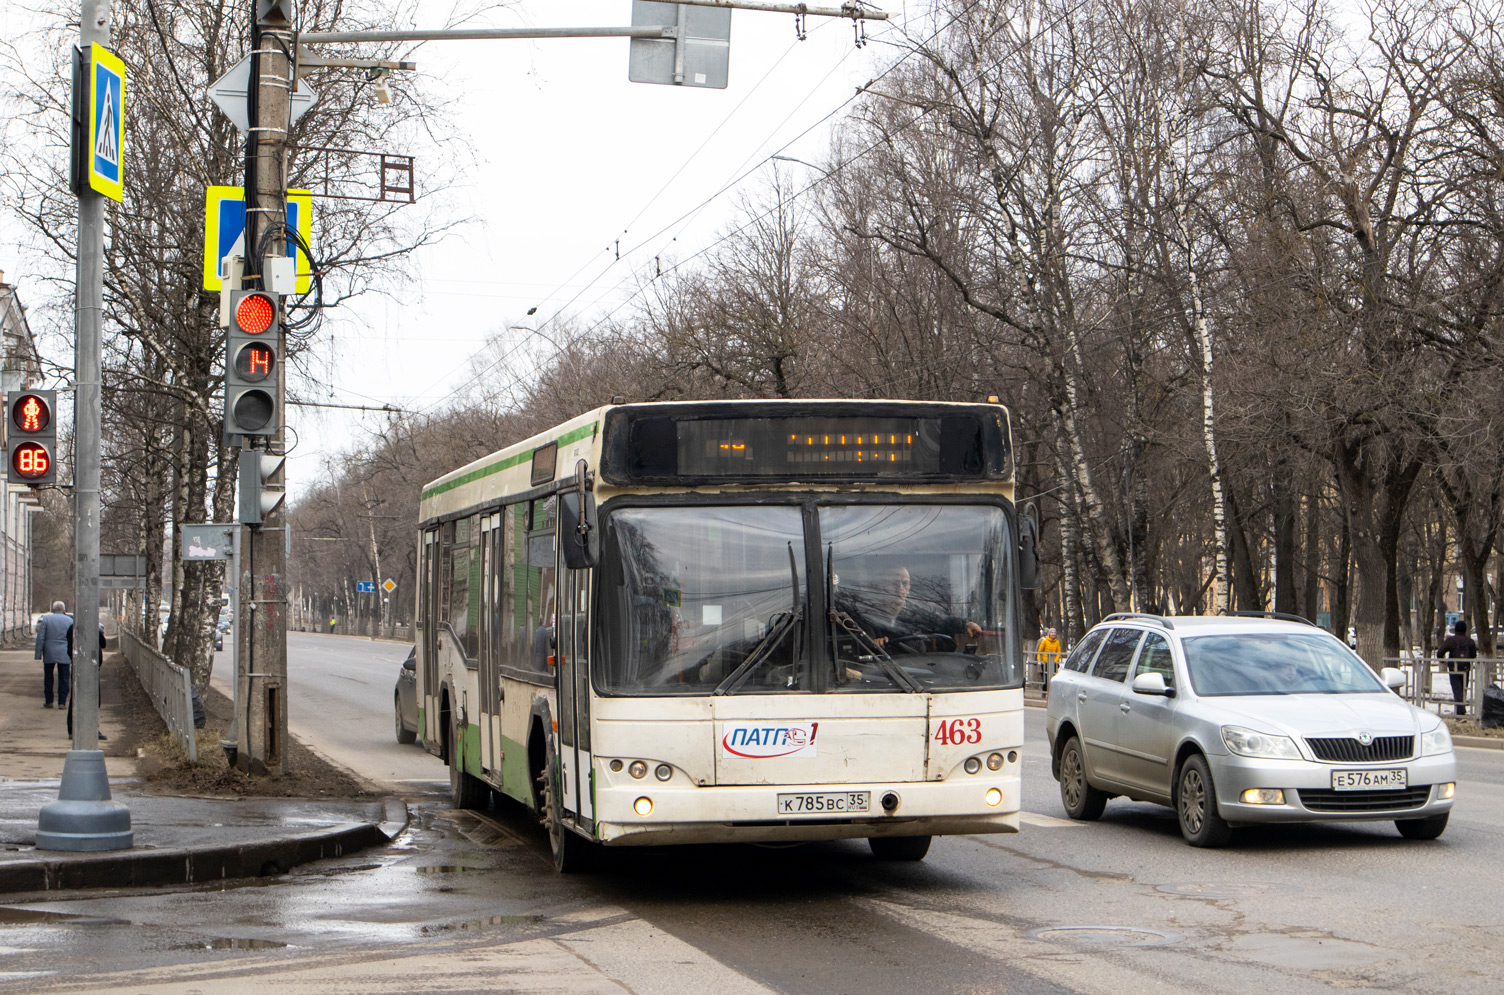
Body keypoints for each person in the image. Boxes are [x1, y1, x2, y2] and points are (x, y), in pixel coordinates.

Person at [840, 565, 982, 650]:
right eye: (893, 583)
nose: (900, 589)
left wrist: (966, 624)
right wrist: (875, 646)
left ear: (909, 588)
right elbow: (864, 645)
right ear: (880, 586)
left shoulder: (913, 616)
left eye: (904, 583)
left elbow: (940, 621)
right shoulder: (866, 616)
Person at [65, 621, 108, 740]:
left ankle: (92, 728)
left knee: (94, 699)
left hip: (93, 668)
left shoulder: (93, 626)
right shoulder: (74, 628)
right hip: (80, 668)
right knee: (77, 698)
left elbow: (103, 643)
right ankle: (73, 729)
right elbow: (70, 648)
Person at [34, 601, 72, 709]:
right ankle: (62, 702)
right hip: (64, 651)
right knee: (64, 677)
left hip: (49, 651)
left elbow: (41, 637)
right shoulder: (69, 620)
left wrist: (38, 654)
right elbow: (73, 637)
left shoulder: (46, 619)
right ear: (64, 610)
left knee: (48, 677)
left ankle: (49, 700)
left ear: (53, 609)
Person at [1437, 619, 1477, 716]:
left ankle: (1460, 713)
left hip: (1454, 669)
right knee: (1463, 690)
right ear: (1465, 629)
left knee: (1457, 690)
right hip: (1466, 669)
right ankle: (1461, 712)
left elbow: (1439, 653)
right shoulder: (1470, 641)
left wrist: (1444, 661)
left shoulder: (1451, 640)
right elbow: (1473, 655)